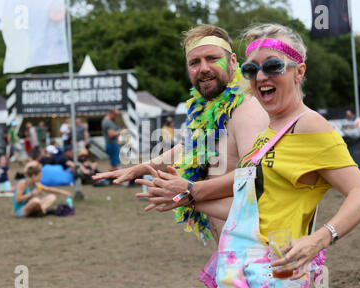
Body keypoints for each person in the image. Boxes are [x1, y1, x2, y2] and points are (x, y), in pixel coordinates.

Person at [142, 23, 360, 288]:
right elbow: (248, 209)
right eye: (251, 70)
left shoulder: (309, 125)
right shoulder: (268, 132)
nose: (260, 76)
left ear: (299, 71)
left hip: (272, 279)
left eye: (273, 66)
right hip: (236, 274)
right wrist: (185, 197)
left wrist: (319, 239)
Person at [94, 25, 268, 255]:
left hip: (258, 255)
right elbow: (191, 146)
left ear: (233, 61)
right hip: (232, 253)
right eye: (195, 62)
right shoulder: (211, 110)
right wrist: (142, 168)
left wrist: (190, 191)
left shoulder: (247, 111)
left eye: (212, 58)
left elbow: (256, 177)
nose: (203, 68)